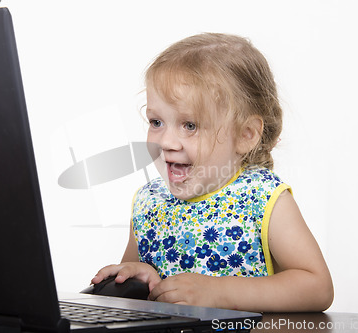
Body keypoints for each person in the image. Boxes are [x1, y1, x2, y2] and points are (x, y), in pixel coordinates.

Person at [91, 33, 333, 312]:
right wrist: (142, 277)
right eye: (156, 122)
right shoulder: (148, 203)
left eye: (190, 125)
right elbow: (144, 291)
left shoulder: (262, 198)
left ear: (246, 135)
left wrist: (219, 292)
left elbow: (317, 287)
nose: (167, 142)